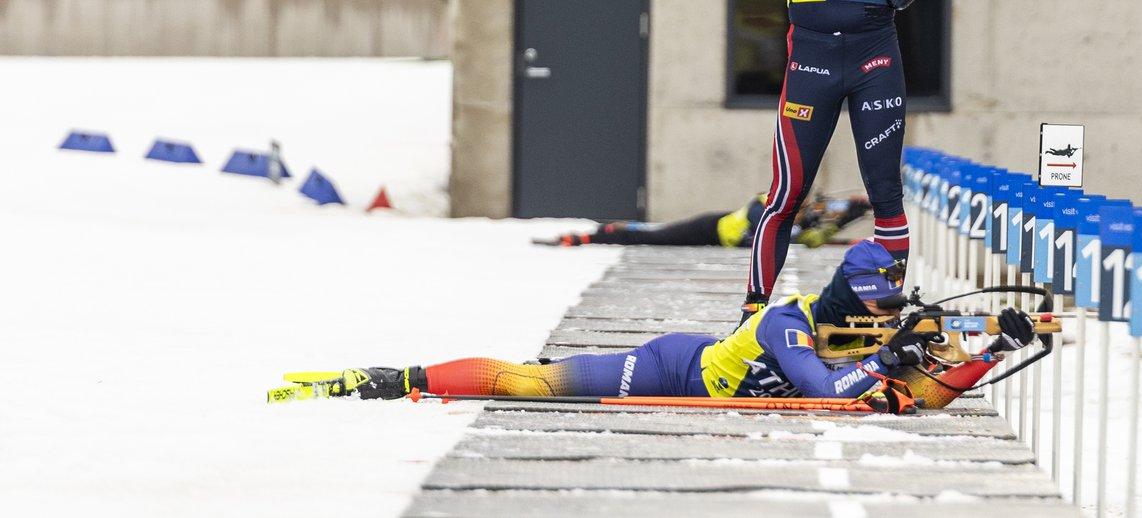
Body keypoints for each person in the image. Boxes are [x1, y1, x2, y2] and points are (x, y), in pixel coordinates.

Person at [284, 240, 1034, 412]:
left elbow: (920, 395)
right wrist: (891, 358)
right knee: (529, 382)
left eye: (892, 314)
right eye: (881, 310)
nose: (888, 321)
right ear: (852, 299)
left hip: (719, 376)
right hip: (675, 369)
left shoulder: (860, 329)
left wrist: (994, 344)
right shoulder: (789, 327)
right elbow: (835, 395)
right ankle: (392, 379)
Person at [745, 0, 970, 316]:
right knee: (786, 196)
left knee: (887, 195)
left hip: (875, 55)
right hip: (812, 56)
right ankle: (752, 313)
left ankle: (884, 322)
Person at [537, 193, 869, 250]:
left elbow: (814, 236)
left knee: (657, 235)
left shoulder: (795, 225)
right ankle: (595, 235)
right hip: (709, 228)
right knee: (656, 238)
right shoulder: (768, 205)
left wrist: (854, 212)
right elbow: (760, 218)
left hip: (713, 238)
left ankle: (611, 230)